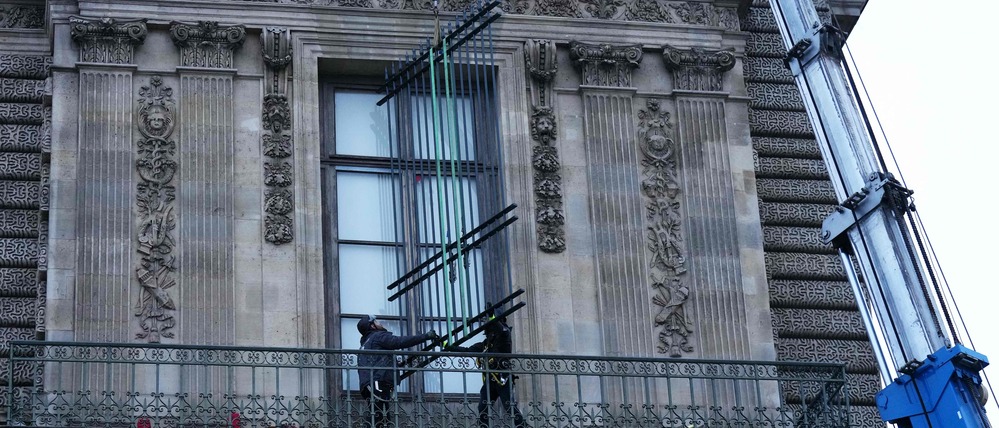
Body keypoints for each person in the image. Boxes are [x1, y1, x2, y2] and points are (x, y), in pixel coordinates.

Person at [356, 315, 439, 428]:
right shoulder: (378, 336)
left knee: (380, 417)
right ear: (372, 326)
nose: (380, 323)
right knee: (379, 416)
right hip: (377, 382)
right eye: (376, 321)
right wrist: (426, 336)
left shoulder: (365, 344)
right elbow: (399, 342)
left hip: (368, 385)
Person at [445, 316, 526, 428]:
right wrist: (449, 346)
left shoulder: (504, 338)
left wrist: (493, 317)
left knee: (509, 406)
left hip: (503, 379)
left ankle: (522, 426)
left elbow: (503, 331)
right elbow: (467, 351)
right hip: (490, 380)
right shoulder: (485, 345)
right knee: (483, 407)